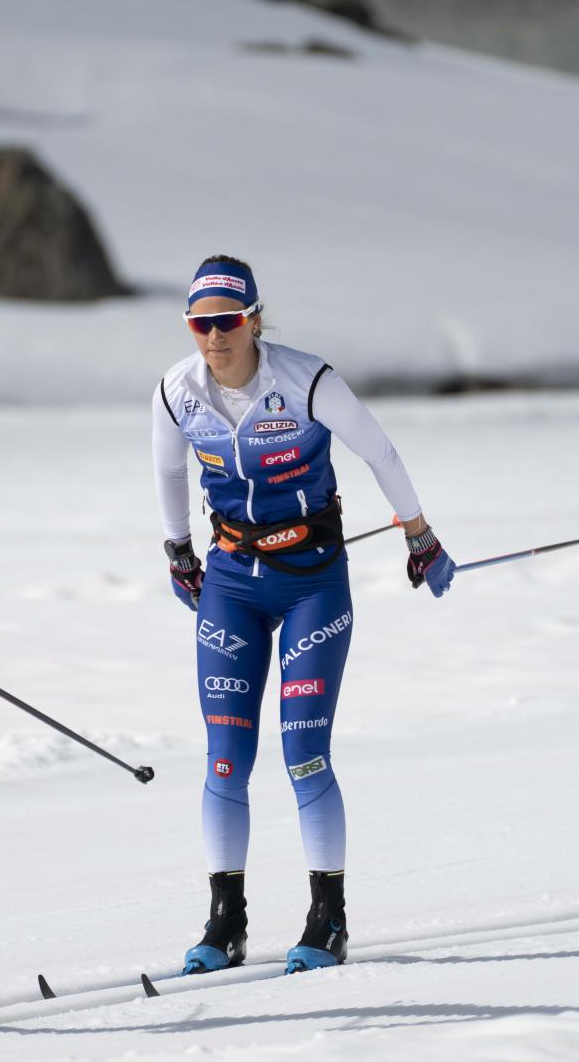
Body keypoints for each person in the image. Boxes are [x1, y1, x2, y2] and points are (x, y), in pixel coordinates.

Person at [151, 256, 455, 975]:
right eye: (201, 324)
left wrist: (419, 534)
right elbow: (167, 472)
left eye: (227, 321)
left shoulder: (305, 379)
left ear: (255, 319)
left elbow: (378, 450)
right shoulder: (176, 391)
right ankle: (226, 924)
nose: (214, 337)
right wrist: (177, 552)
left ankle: (328, 920)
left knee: (304, 754)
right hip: (231, 582)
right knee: (225, 758)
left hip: (312, 581)